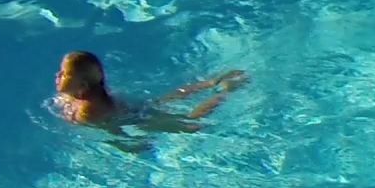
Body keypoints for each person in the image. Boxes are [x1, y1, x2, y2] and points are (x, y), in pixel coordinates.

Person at [52, 50, 248, 138]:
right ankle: (211, 82)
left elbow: (111, 130)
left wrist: (129, 145)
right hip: (129, 107)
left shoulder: (88, 110)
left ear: (83, 85)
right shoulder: (83, 95)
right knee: (166, 99)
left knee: (190, 122)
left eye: (64, 74)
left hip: (135, 118)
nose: (58, 76)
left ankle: (225, 91)